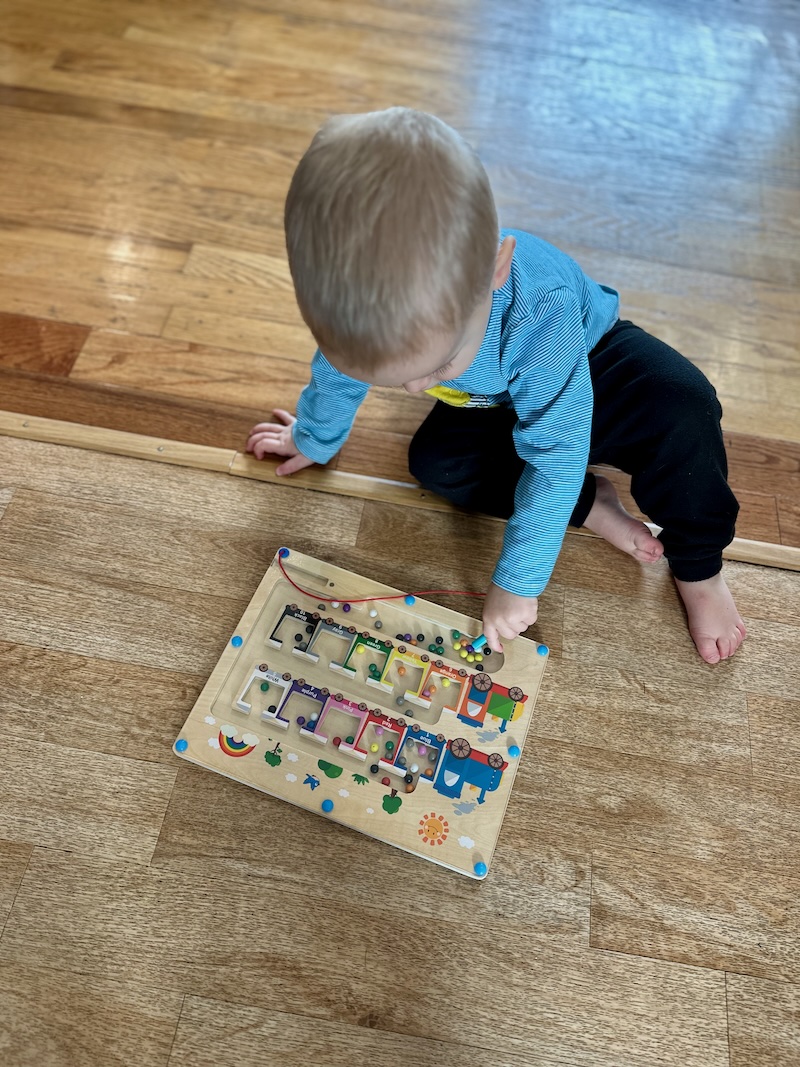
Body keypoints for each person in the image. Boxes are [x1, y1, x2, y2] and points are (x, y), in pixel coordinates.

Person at [246, 107, 746, 664]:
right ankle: (590, 502)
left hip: (588, 362)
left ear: (496, 267)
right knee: (437, 465)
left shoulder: (544, 308)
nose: (414, 390)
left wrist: (517, 582)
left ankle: (700, 569)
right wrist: (314, 438)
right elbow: (335, 374)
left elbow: (557, 454)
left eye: (435, 368)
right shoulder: (356, 314)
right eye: (391, 375)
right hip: (495, 399)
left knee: (685, 408)